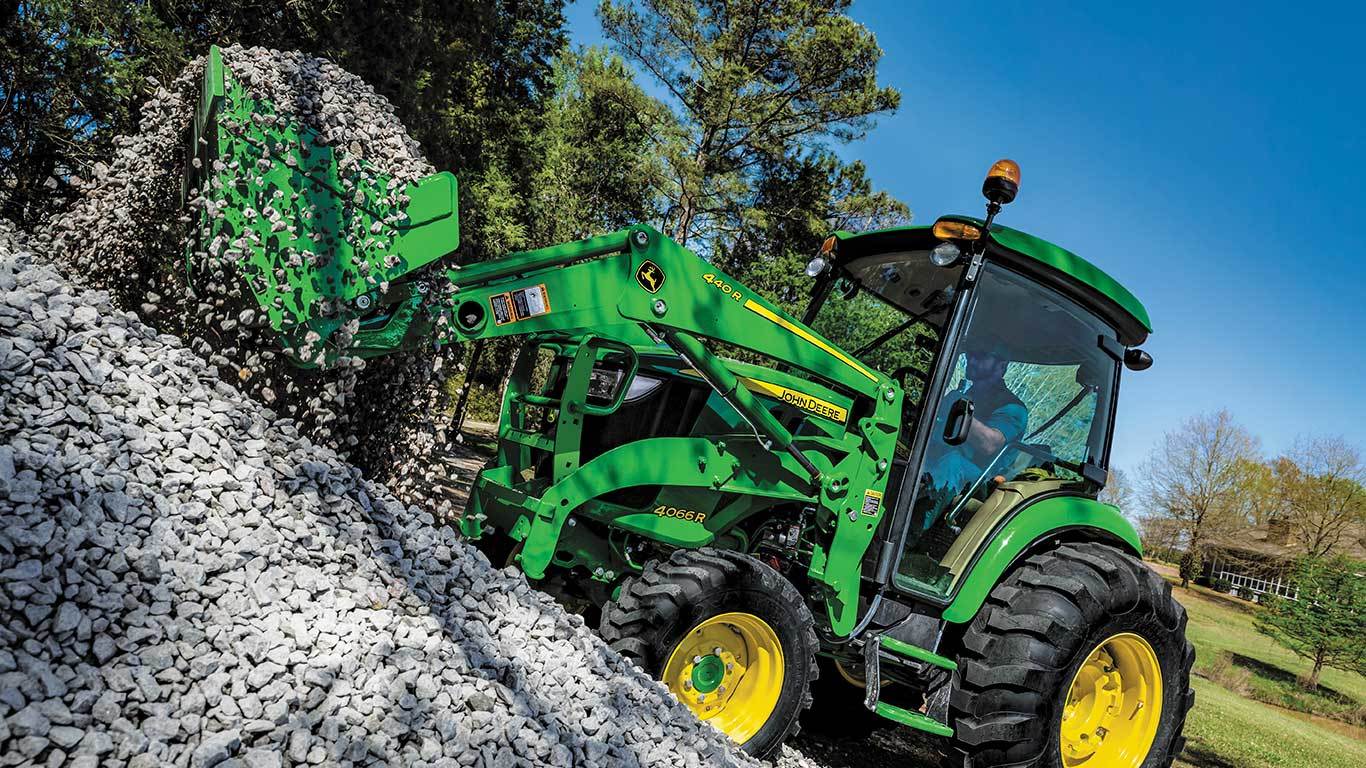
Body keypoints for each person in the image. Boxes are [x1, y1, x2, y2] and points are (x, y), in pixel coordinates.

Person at [917, 339, 1029, 531]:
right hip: (942, 465)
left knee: (953, 461)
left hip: (982, 482)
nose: (971, 359)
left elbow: (989, 443)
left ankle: (907, 533)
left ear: (1002, 366)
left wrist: (957, 407)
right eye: (970, 354)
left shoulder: (1013, 407)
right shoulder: (969, 394)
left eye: (981, 355)